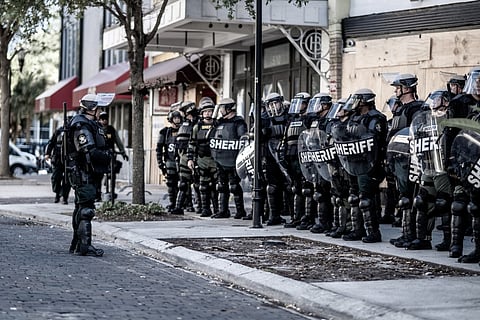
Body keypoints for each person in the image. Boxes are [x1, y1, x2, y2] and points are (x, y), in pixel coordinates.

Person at [336, 88, 388, 243]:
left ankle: (373, 232)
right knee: (353, 197)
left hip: (369, 164)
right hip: (353, 162)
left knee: (365, 198)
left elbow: (373, 140)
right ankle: (357, 230)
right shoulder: (353, 117)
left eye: (358, 100)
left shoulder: (376, 118)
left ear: (365, 101)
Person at [66, 94, 111, 256]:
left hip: (86, 171)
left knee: (81, 207)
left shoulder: (87, 123)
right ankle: (84, 245)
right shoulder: (81, 125)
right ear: (92, 109)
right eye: (98, 108)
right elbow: (88, 150)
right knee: (86, 209)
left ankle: (77, 244)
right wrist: (107, 156)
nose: (100, 111)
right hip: (83, 171)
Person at [408, 90, 453, 251]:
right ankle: (423, 239)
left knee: (443, 202)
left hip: (442, 167)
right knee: (421, 201)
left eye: (437, 99)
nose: (432, 102)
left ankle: (450, 241)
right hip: (427, 165)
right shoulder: (426, 118)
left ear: (446, 102)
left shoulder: (450, 118)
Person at [386, 74, 424, 248]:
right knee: (404, 198)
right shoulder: (401, 108)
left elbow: (417, 131)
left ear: (407, 88)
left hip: (411, 158)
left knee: (413, 198)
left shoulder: (416, 108)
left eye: (398, 87)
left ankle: (418, 236)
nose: (396, 90)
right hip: (398, 157)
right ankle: (406, 234)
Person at [209, 97, 248, 219]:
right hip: (220, 158)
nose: (220, 110)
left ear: (229, 108)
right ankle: (223, 210)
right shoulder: (219, 122)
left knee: (234, 186)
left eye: (222, 108)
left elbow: (243, 140)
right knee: (221, 185)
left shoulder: (238, 122)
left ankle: (240, 211)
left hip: (233, 159)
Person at [281, 92, 311, 228]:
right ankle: (296, 217)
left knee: (307, 189)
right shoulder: (292, 119)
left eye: (301, 103)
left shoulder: (310, 119)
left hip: (304, 156)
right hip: (291, 155)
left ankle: (307, 218)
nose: (298, 107)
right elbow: (285, 138)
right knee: (295, 188)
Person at [187, 97, 219, 217]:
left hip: (215, 159)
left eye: (210, 111)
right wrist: (190, 159)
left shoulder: (218, 125)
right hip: (202, 160)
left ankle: (217, 209)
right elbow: (192, 144)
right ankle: (205, 208)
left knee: (217, 186)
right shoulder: (197, 127)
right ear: (201, 113)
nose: (208, 114)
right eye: (205, 112)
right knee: (203, 186)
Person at [262, 92, 290, 225]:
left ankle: (295, 216)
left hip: (287, 153)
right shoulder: (264, 118)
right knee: (272, 187)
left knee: (291, 186)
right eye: (270, 104)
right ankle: (274, 215)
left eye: (276, 103)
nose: (274, 106)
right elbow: (256, 137)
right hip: (270, 154)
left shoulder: (289, 115)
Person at [170, 101, 199, 215]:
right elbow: (179, 142)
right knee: (183, 183)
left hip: (195, 156)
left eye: (183, 111)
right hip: (183, 156)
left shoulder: (198, 123)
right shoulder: (185, 124)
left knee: (199, 184)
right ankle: (180, 206)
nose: (181, 115)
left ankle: (201, 206)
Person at [95, 111, 128, 201]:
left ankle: (111, 192)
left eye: (105, 119)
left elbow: (118, 141)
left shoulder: (111, 130)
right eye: (102, 119)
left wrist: (123, 152)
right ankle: (97, 193)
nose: (104, 121)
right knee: (98, 175)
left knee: (112, 174)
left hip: (110, 155)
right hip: (100, 155)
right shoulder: (97, 129)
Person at [156, 105, 182, 213]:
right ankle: (172, 203)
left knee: (184, 184)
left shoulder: (184, 130)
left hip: (181, 162)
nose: (177, 120)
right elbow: (159, 148)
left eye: (178, 118)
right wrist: (160, 163)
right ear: (171, 119)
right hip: (170, 161)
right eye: (175, 118)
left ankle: (184, 204)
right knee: (171, 184)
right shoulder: (165, 132)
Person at [44, 122, 71, 204]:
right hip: (58, 159)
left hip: (68, 159)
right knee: (56, 178)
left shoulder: (72, 132)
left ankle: (65, 197)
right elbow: (51, 143)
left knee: (67, 180)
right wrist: (47, 153)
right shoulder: (58, 131)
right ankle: (58, 194)